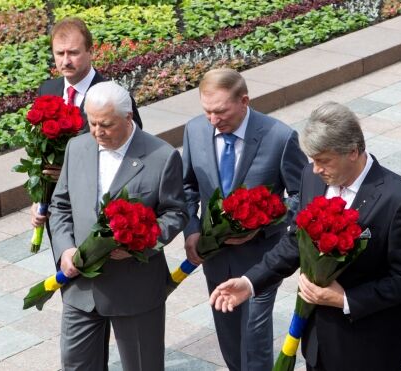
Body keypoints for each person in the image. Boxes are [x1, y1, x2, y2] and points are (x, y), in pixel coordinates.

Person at [209, 102, 401, 371]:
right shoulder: (311, 180)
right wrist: (250, 282)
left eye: (323, 161)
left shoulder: (398, 198)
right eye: (312, 160)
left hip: (370, 347)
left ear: (353, 151)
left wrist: (346, 300)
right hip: (318, 343)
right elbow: (294, 242)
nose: (315, 169)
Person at [49, 81, 187, 370]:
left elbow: (175, 213)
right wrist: (65, 250)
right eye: (92, 123)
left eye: (106, 125)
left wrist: (141, 244)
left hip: (134, 288)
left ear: (128, 118)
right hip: (81, 287)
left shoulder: (161, 157)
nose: (97, 132)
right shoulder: (77, 147)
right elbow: (60, 206)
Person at [181, 68, 308, 371]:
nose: (213, 120)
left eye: (221, 111)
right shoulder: (194, 130)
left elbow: (304, 196)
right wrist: (192, 230)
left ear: (244, 101)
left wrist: (265, 219)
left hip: (261, 258)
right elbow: (186, 187)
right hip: (215, 257)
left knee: (254, 339)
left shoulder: (279, 137)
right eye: (207, 111)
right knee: (229, 338)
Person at [31, 17, 143, 227]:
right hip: (57, 211)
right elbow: (41, 152)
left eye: (73, 53)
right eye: (59, 53)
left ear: (90, 52)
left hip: (97, 209)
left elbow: (133, 153)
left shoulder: (114, 97)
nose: (65, 61)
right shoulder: (47, 91)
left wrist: (71, 168)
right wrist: (39, 199)